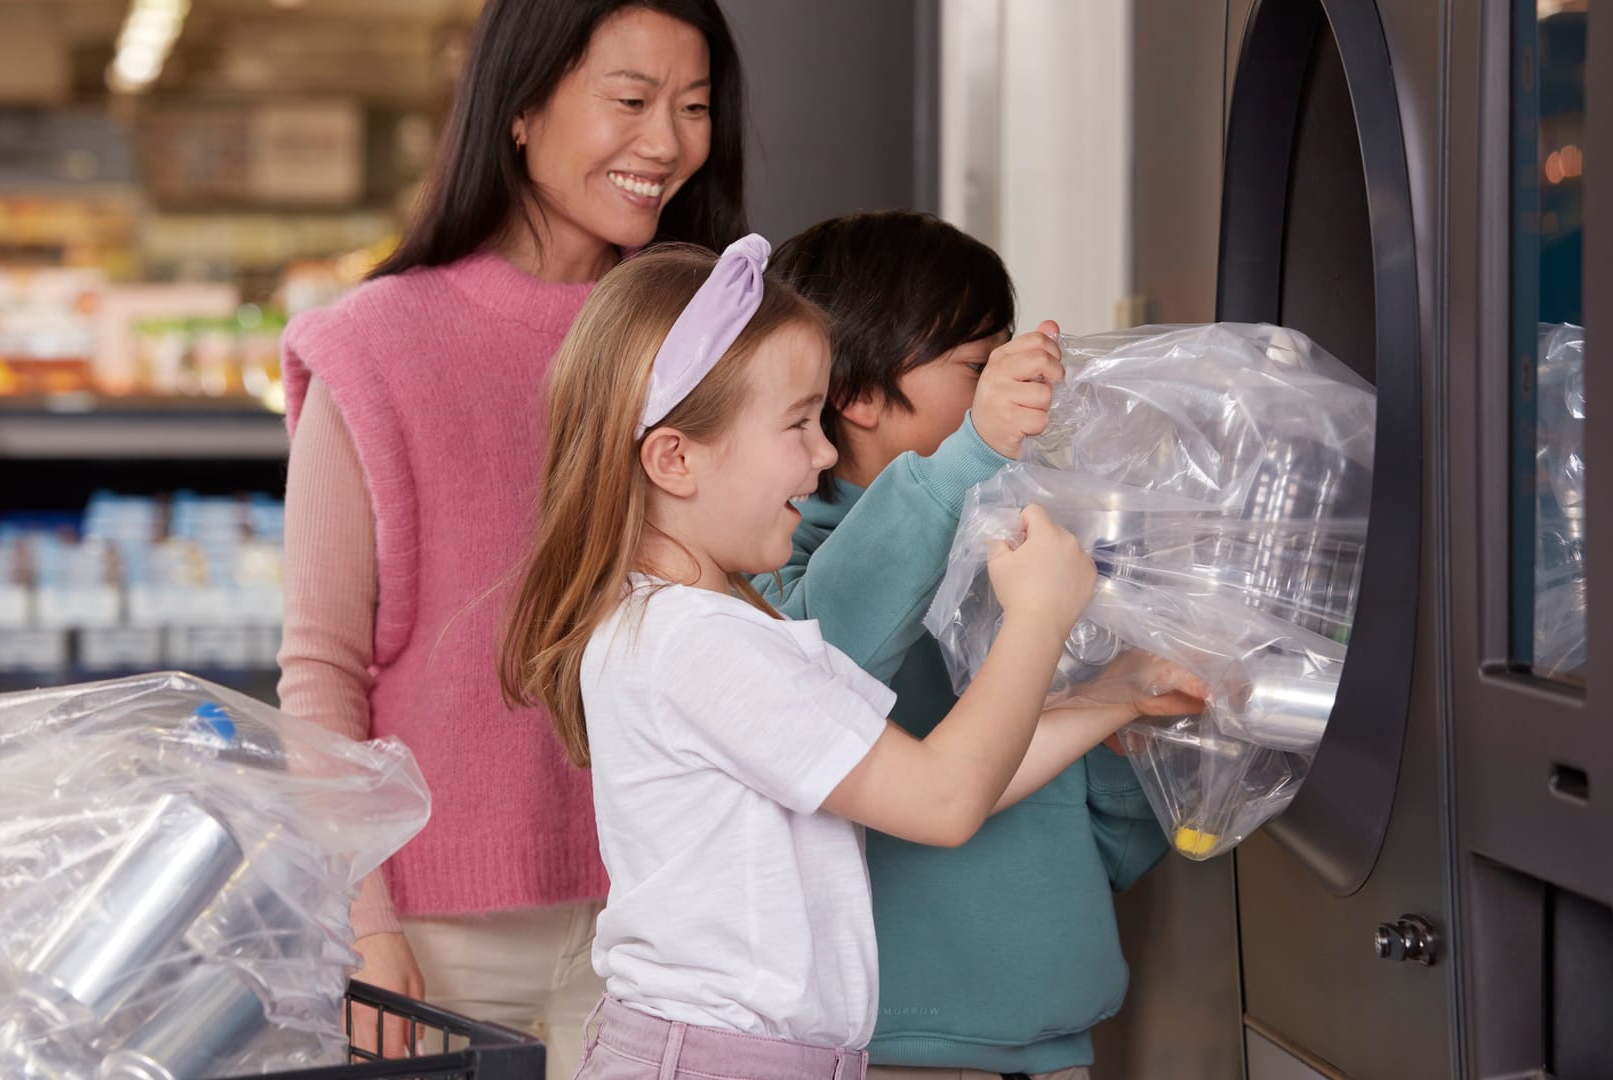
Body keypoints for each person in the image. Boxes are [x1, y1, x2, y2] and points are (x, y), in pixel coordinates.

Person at [500, 237, 1202, 1080]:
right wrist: (1039, 619)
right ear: (674, 458)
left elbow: (932, 777)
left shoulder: (710, 625)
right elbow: (946, 799)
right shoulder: (697, 642)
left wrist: (1115, 697)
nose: (824, 453)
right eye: (797, 423)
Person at [275, 1, 749, 1073]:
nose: (667, 143)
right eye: (629, 100)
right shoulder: (374, 346)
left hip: (671, 916)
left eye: (694, 107)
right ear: (522, 108)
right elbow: (320, 673)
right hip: (435, 942)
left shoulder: (716, 344)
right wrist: (366, 927)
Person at [763, 210, 1179, 1080]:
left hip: (1055, 1038)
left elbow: (1107, 792)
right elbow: (823, 666)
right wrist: (970, 456)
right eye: (976, 366)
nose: (1016, 391)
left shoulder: (1020, 549)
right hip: (880, 1053)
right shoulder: (781, 561)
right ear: (858, 394)